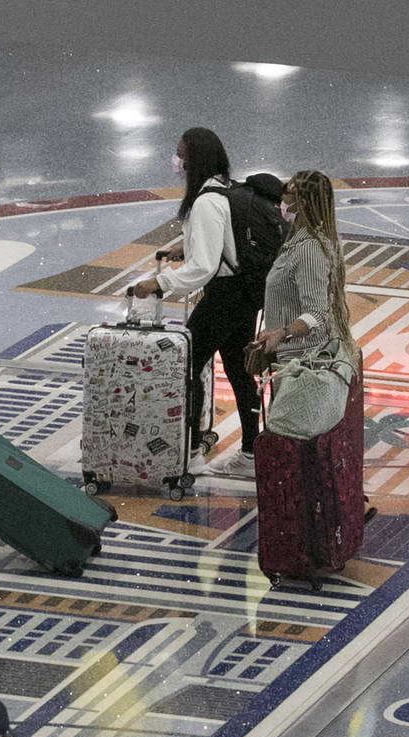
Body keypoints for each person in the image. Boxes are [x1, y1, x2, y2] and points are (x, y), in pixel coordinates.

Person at [132, 127, 261, 479]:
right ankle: (252, 452)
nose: (177, 161)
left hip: (223, 296)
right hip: (245, 293)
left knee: (186, 365)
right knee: (239, 370)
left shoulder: (205, 201)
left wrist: (158, 284)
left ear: (195, 159)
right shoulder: (227, 190)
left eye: (181, 154)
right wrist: (186, 245)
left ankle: (189, 451)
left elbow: (204, 267)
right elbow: (222, 241)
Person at [252, 170, 357, 367]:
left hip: (303, 364)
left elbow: (316, 313)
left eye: (286, 190)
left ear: (301, 202)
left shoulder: (309, 250)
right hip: (293, 359)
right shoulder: (300, 243)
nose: (280, 196)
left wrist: (282, 332)